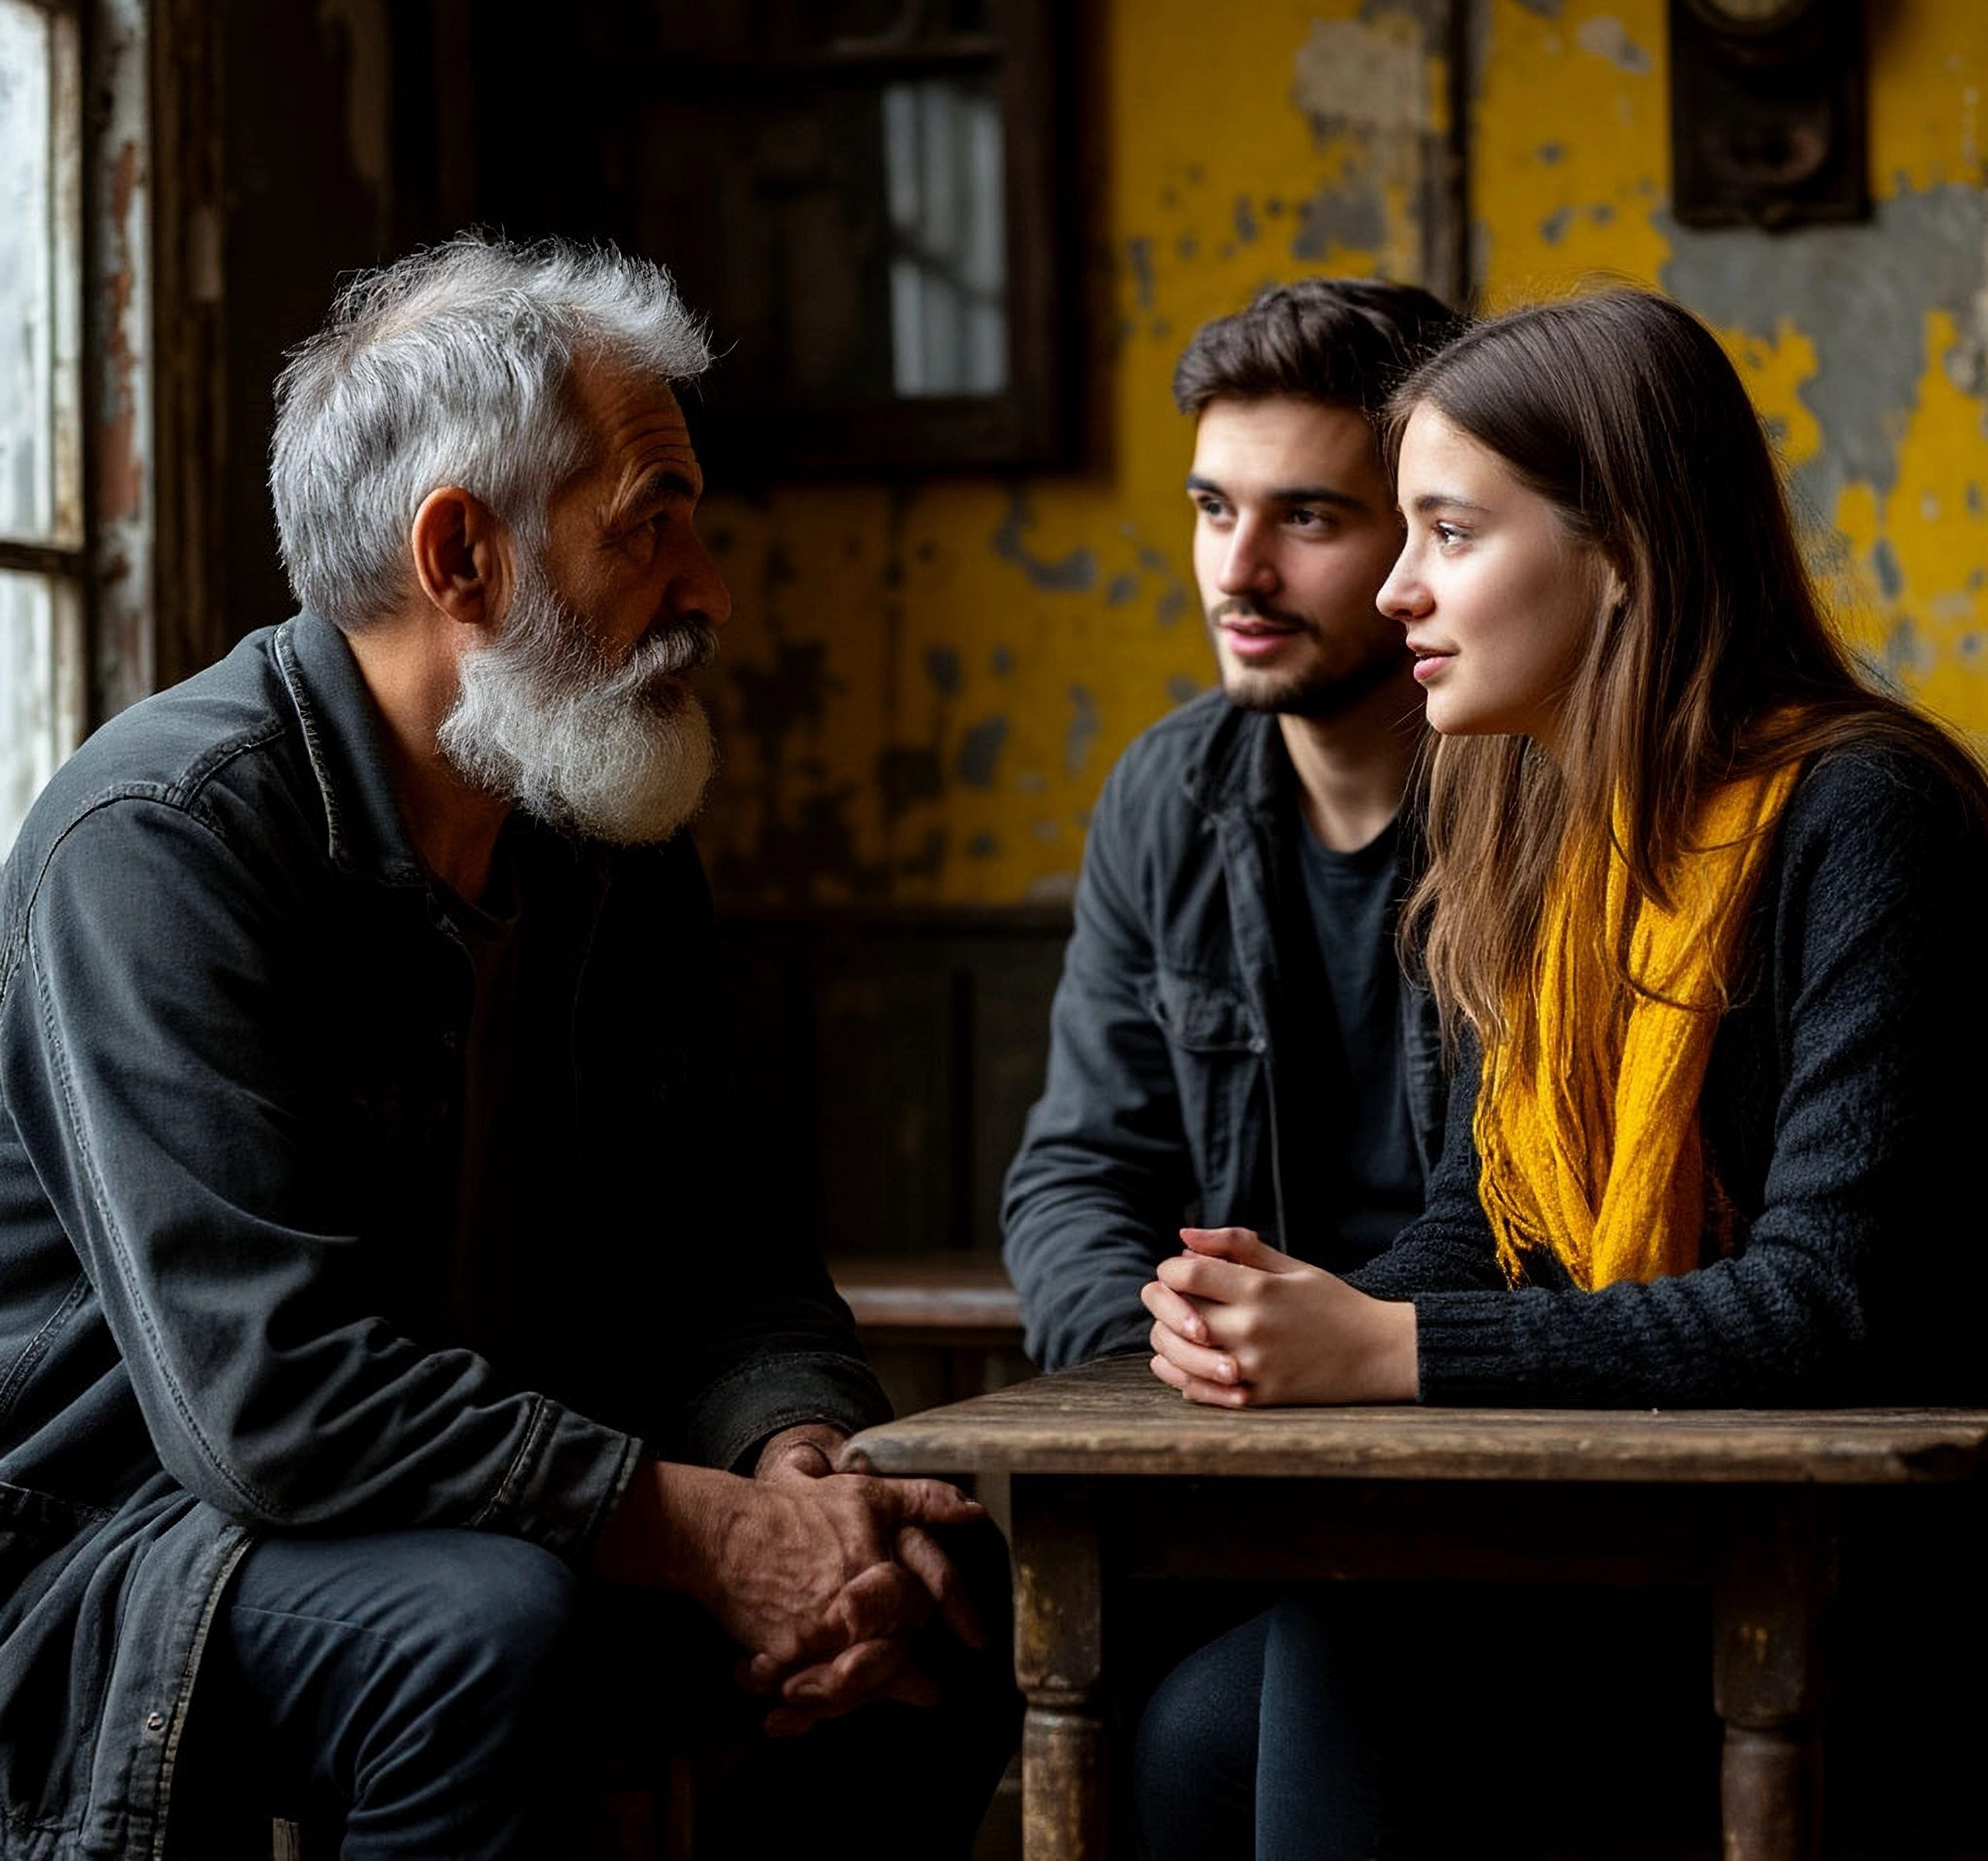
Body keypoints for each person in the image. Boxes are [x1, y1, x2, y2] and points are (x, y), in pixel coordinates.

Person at [0, 231, 1018, 1861]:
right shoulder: (157, 837)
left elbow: (722, 1234)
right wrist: (702, 1529)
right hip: (129, 1544)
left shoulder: (597, 815)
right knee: (481, 1635)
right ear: (460, 553)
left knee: (940, 1603)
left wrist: (800, 1466)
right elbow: (265, 1398)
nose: (708, 585)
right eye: (651, 524)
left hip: (495, 1498)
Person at [1131, 283, 1988, 1857]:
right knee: (1192, 1722)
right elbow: (1487, 1219)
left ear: (1619, 556)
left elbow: (1823, 1301)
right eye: (1395, 535)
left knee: (1343, 1646)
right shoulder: (1533, 824)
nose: (1394, 590)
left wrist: (1388, 1347)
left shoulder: (1863, 820)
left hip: (1844, 1566)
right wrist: (1288, 1316)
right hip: (1625, 1527)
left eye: (1447, 533)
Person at [1000, 276, 1464, 1372]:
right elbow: (1080, 1175)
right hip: (1230, 1413)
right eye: (1215, 509)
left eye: (1305, 517)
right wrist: (1161, 1370)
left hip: (1484, 1396)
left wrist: (1332, 1360)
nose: (1239, 573)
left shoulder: (1547, 802)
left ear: (1427, 541)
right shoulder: (1168, 795)